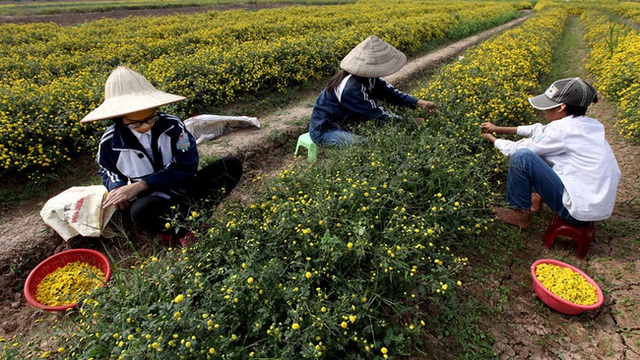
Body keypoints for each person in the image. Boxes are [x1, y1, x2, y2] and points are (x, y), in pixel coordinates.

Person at [80, 66, 243, 240]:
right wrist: (117, 187)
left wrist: (142, 184)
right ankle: (181, 229)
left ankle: (188, 222)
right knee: (140, 211)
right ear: (120, 119)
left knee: (230, 165)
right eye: (135, 123)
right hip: (154, 200)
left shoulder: (172, 126)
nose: (144, 126)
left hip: (184, 187)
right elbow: (107, 170)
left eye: (151, 118)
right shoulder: (110, 142)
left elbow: (187, 165)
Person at [480, 77, 620, 229]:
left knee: (523, 157)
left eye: (548, 107)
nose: (545, 111)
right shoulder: (588, 125)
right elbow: (539, 130)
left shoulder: (561, 131)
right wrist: (497, 128)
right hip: (594, 205)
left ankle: (520, 215)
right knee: (543, 152)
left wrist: (493, 139)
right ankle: (535, 200)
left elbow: (515, 150)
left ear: (561, 107)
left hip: (576, 213)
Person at [309, 35, 438, 146]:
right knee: (367, 145)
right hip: (325, 131)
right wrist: (409, 122)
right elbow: (376, 115)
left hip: (346, 124)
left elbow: (390, 94)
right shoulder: (351, 89)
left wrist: (420, 103)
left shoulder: (369, 78)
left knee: (380, 136)